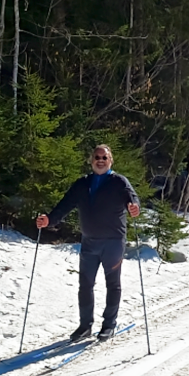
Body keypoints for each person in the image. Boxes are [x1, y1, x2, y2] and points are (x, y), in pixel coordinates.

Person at [36, 145, 140, 342]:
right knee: (85, 285)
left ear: (111, 161)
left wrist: (134, 207)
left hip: (113, 243)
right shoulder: (82, 183)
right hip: (89, 242)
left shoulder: (119, 182)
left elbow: (132, 199)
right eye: (97, 157)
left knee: (113, 284)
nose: (100, 160)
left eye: (104, 157)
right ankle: (85, 326)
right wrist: (49, 220)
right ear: (91, 160)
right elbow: (65, 205)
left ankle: (109, 325)